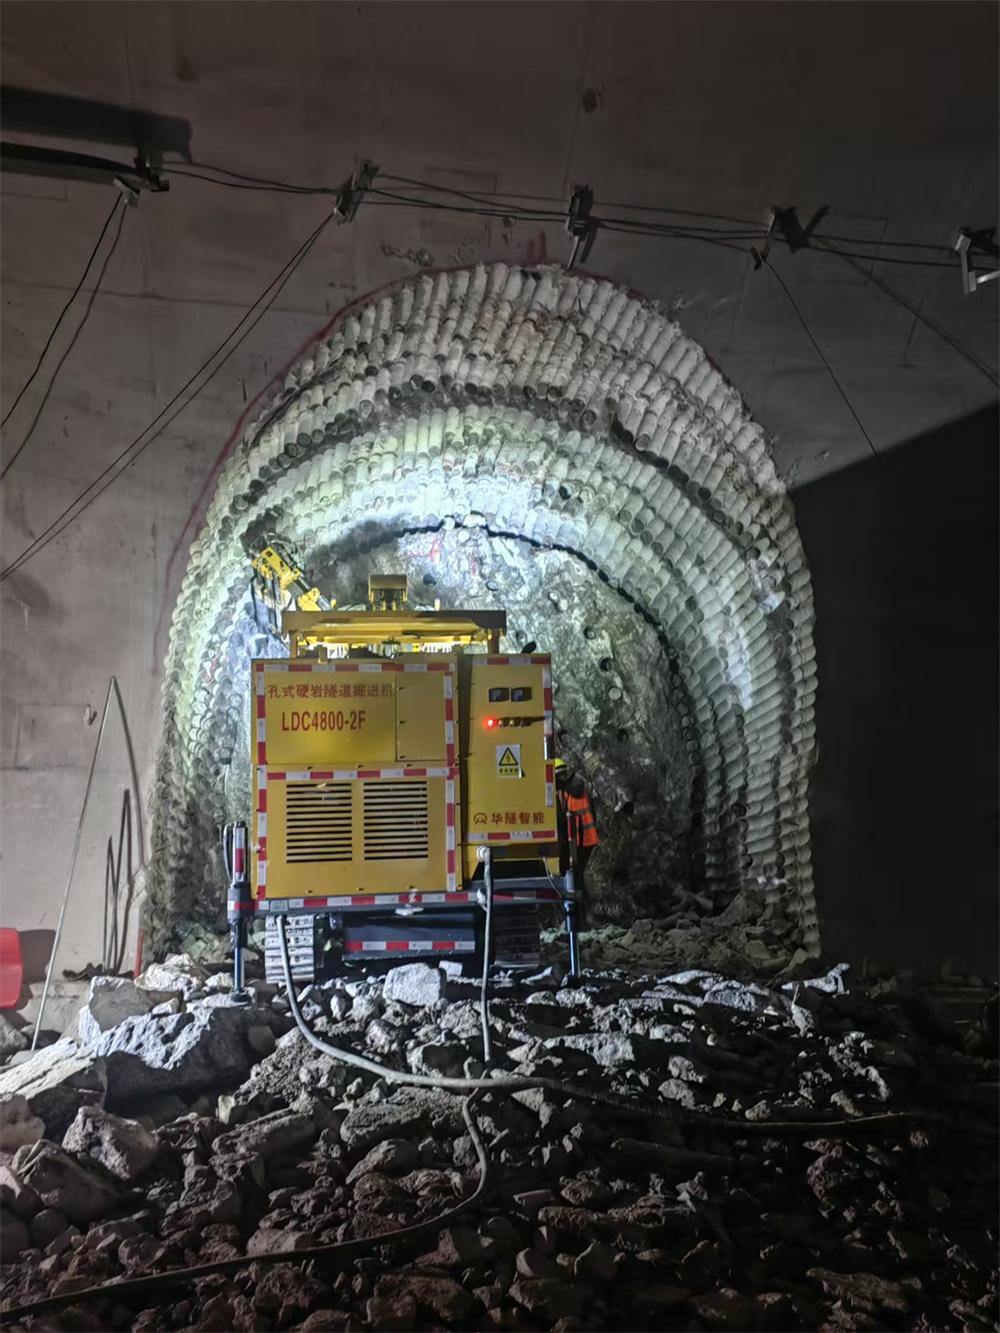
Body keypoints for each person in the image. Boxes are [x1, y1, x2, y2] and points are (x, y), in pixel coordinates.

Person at [554, 757, 599, 926]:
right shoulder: (570, 787)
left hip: (581, 839)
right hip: (580, 839)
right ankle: (583, 918)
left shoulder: (572, 786)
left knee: (574, 878)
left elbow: (574, 793)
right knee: (576, 877)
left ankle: (580, 919)